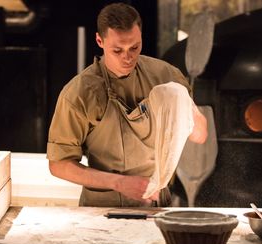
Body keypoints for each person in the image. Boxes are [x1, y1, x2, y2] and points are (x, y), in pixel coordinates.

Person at [46, 2, 208, 207]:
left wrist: (184, 106)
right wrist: (120, 183)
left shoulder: (165, 75)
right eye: (117, 50)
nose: (127, 57)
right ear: (99, 41)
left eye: (134, 47)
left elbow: (200, 136)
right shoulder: (79, 93)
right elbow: (59, 165)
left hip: (157, 205)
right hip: (102, 210)